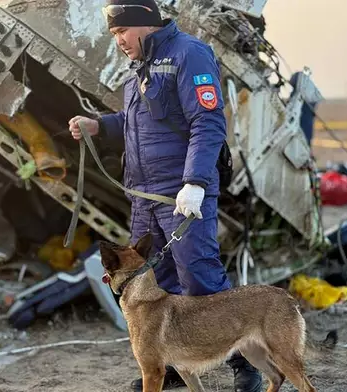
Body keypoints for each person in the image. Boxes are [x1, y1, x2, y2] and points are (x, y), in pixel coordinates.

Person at [68, 1, 262, 391]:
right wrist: (99, 126)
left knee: (201, 279)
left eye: (121, 31)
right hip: (145, 199)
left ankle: (246, 364)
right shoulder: (138, 68)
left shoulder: (189, 54)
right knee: (160, 284)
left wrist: (194, 182)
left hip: (182, 195)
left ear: (144, 24)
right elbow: (135, 123)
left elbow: (207, 121)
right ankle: (168, 362)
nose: (118, 41)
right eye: (113, 34)